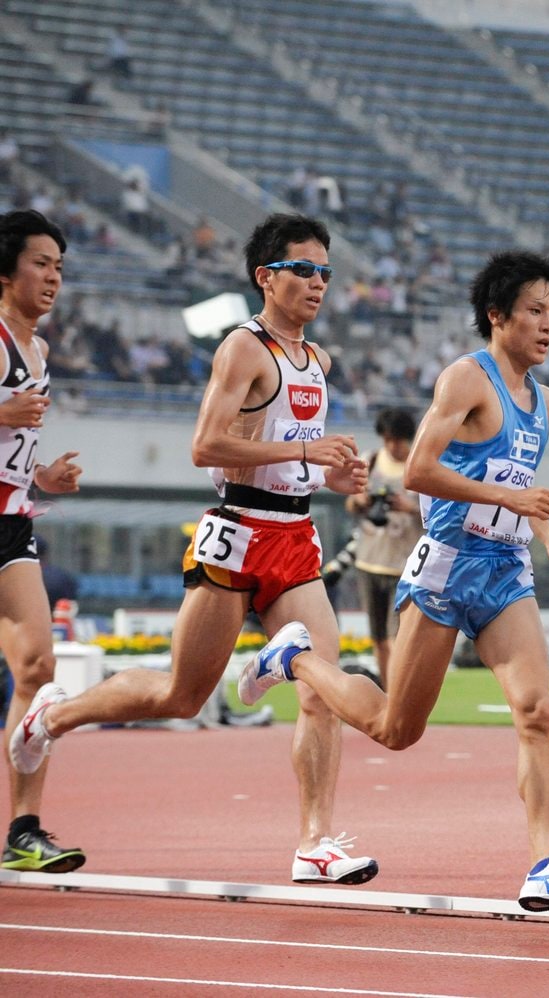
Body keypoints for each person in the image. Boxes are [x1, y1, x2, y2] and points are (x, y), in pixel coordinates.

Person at [10, 213, 380, 886]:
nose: (318, 283)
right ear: (266, 277)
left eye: (326, 272)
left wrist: (333, 475)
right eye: (304, 270)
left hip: (295, 536)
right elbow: (206, 448)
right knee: (182, 696)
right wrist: (303, 450)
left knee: (322, 685)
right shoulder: (244, 349)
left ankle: (314, 842)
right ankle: (54, 715)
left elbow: (297, 460)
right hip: (239, 531)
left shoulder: (319, 360)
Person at [235, 251, 549, 913]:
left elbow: (517, 491)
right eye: (534, 311)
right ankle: (293, 659)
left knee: (538, 712)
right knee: (394, 728)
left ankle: (544, 865)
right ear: (497, 315)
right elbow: (419, 474)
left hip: (504, 571)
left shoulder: (544, 400)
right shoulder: (467, 379)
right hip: (446, 565)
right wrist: (510, 500)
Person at [0, 210, 85, 873]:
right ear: (6, 269)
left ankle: (23, 829)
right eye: (40, 263)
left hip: (12, 524)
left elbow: (12, 450)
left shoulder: (40, 352)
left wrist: (43, 474)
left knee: (37, 669)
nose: (53, 277)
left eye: (59, 266)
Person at [346, 407, 421, 689]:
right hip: (368, 560)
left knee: (397, 637)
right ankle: (388, 693)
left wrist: (410, 508)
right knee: (378, 637)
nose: (392, 446)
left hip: (404, 565)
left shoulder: (420, 466)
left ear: (409, 439)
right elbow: (351, 503)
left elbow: (439, 513)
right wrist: (362, 501)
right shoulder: (371, 461)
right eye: (387, 439)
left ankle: (401, 693)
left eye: (398, 440)